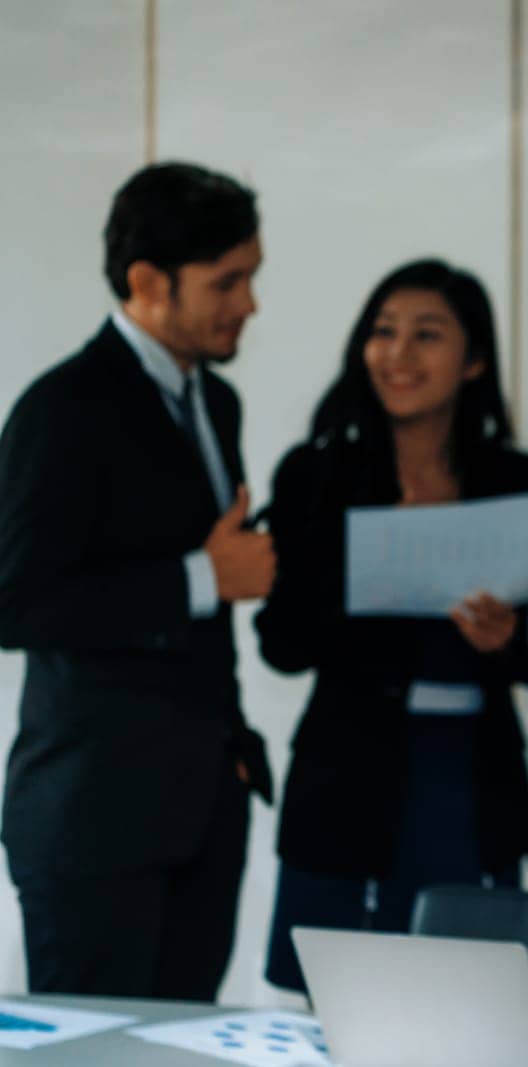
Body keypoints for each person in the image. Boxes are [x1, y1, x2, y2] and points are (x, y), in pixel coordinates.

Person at [0, 162, 274, 999]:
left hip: (200, 810)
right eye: (227, 282)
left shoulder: (216, 402)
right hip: (92, 817)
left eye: (252, 277)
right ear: (148, 281)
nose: (250, 304)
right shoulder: (62, 407)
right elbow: (17, 603)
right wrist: (203, 576)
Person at [254, 259, 528, 992]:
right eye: (382, 333)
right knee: (336, 995)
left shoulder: (518, 481)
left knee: (467, 993)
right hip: (346, 771)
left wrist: (505, 635)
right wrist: (368, 562)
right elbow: (280, 641)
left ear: (474, 358)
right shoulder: (315, 474)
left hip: (470, 772)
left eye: (427, 335)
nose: (398, 354)